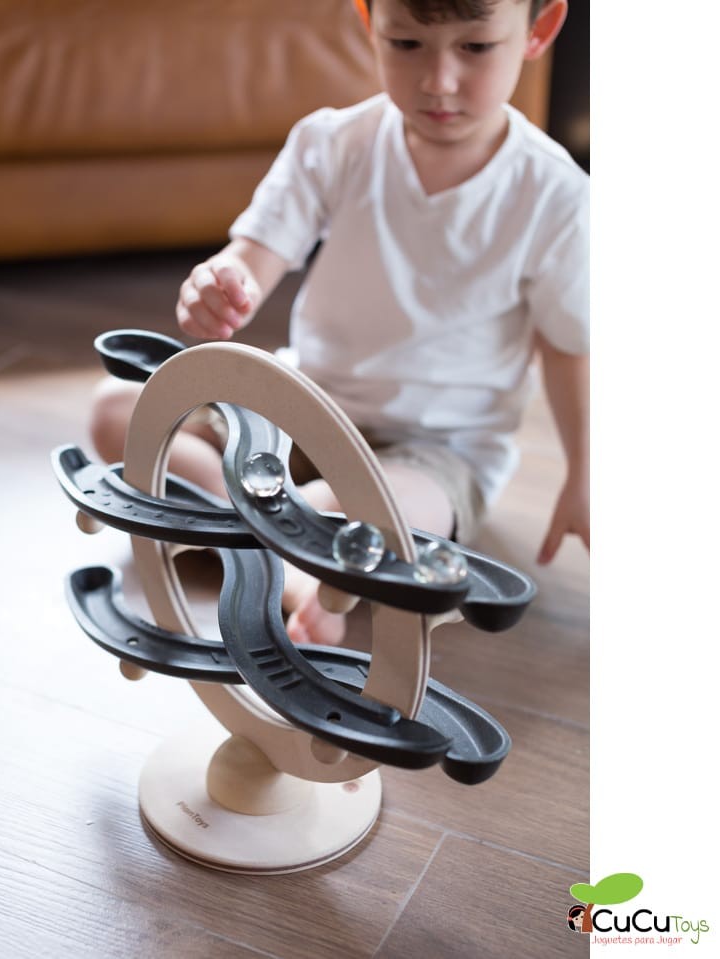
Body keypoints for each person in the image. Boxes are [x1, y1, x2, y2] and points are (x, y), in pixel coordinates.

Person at [90, 0, 589, 646]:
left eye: (475, 48)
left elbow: (568, 345)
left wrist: (584, 472)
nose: (438, 81)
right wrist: (221, 284)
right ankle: (280, 557)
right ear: (368, 21)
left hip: (433, 452)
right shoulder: (333, 141)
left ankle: (251, 532)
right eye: (407, 44)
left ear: (537, 31)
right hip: (299, 407)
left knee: (361, 512)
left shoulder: (555, 195)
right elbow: (253, 255)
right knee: (117, 410)